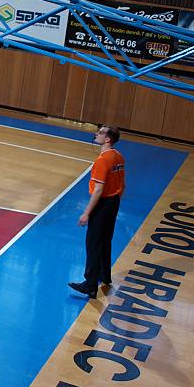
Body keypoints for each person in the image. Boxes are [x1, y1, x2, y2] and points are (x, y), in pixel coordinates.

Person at [69, 125, 126, 299]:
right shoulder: (118, 156)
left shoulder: (102, 160)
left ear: (108, 139)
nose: (96, 134)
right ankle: (104, 275)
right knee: (105, 240)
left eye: (100, 132)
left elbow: (98, 190)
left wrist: (86, 213)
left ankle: (90, 285)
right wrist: (114, 201)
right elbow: (122, 184)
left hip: (103, 204)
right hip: (113, 203)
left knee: (93, 243)